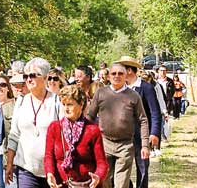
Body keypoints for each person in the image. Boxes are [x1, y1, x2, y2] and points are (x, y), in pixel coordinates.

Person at [84, 63, 149, 188]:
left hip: (125, 145)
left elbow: (143, 120)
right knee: (104, 181)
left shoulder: (133, 96)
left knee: (121, 183)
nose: (117, 76)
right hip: (104, 143)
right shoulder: (101, 93)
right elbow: (90, 117)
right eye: (114, 73)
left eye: (120, 73)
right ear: (108, 76)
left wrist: (145, 145)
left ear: (126, 76)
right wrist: (85, 139)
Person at [5, 57, 63, 188]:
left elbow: (64, 135)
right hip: (26, 169)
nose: (28, 79)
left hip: (53, 169)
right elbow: (14, 135)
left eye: (33, 75)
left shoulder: (56, 102)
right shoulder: (21, 101)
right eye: (26, 76)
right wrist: (9, 164)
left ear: (45, 77)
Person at [44, 85, 107, 188]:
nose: (66, 108)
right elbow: (48, 156)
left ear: (81, 105)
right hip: (61, 184)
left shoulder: (92, 130)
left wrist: (98, 176)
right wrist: (49, 173)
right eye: (63, 104)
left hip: (87, 184)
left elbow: (102, 162)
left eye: (70, 104)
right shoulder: (54, 127)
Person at [116, 56, 161, 188]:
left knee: (142, 168)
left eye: (121, 71)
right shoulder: (119, 88)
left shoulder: (146, 88)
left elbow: (154, 112)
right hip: (123, 136)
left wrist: (154, 133)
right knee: (122, 167)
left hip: (142, 136)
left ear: (129, 71)